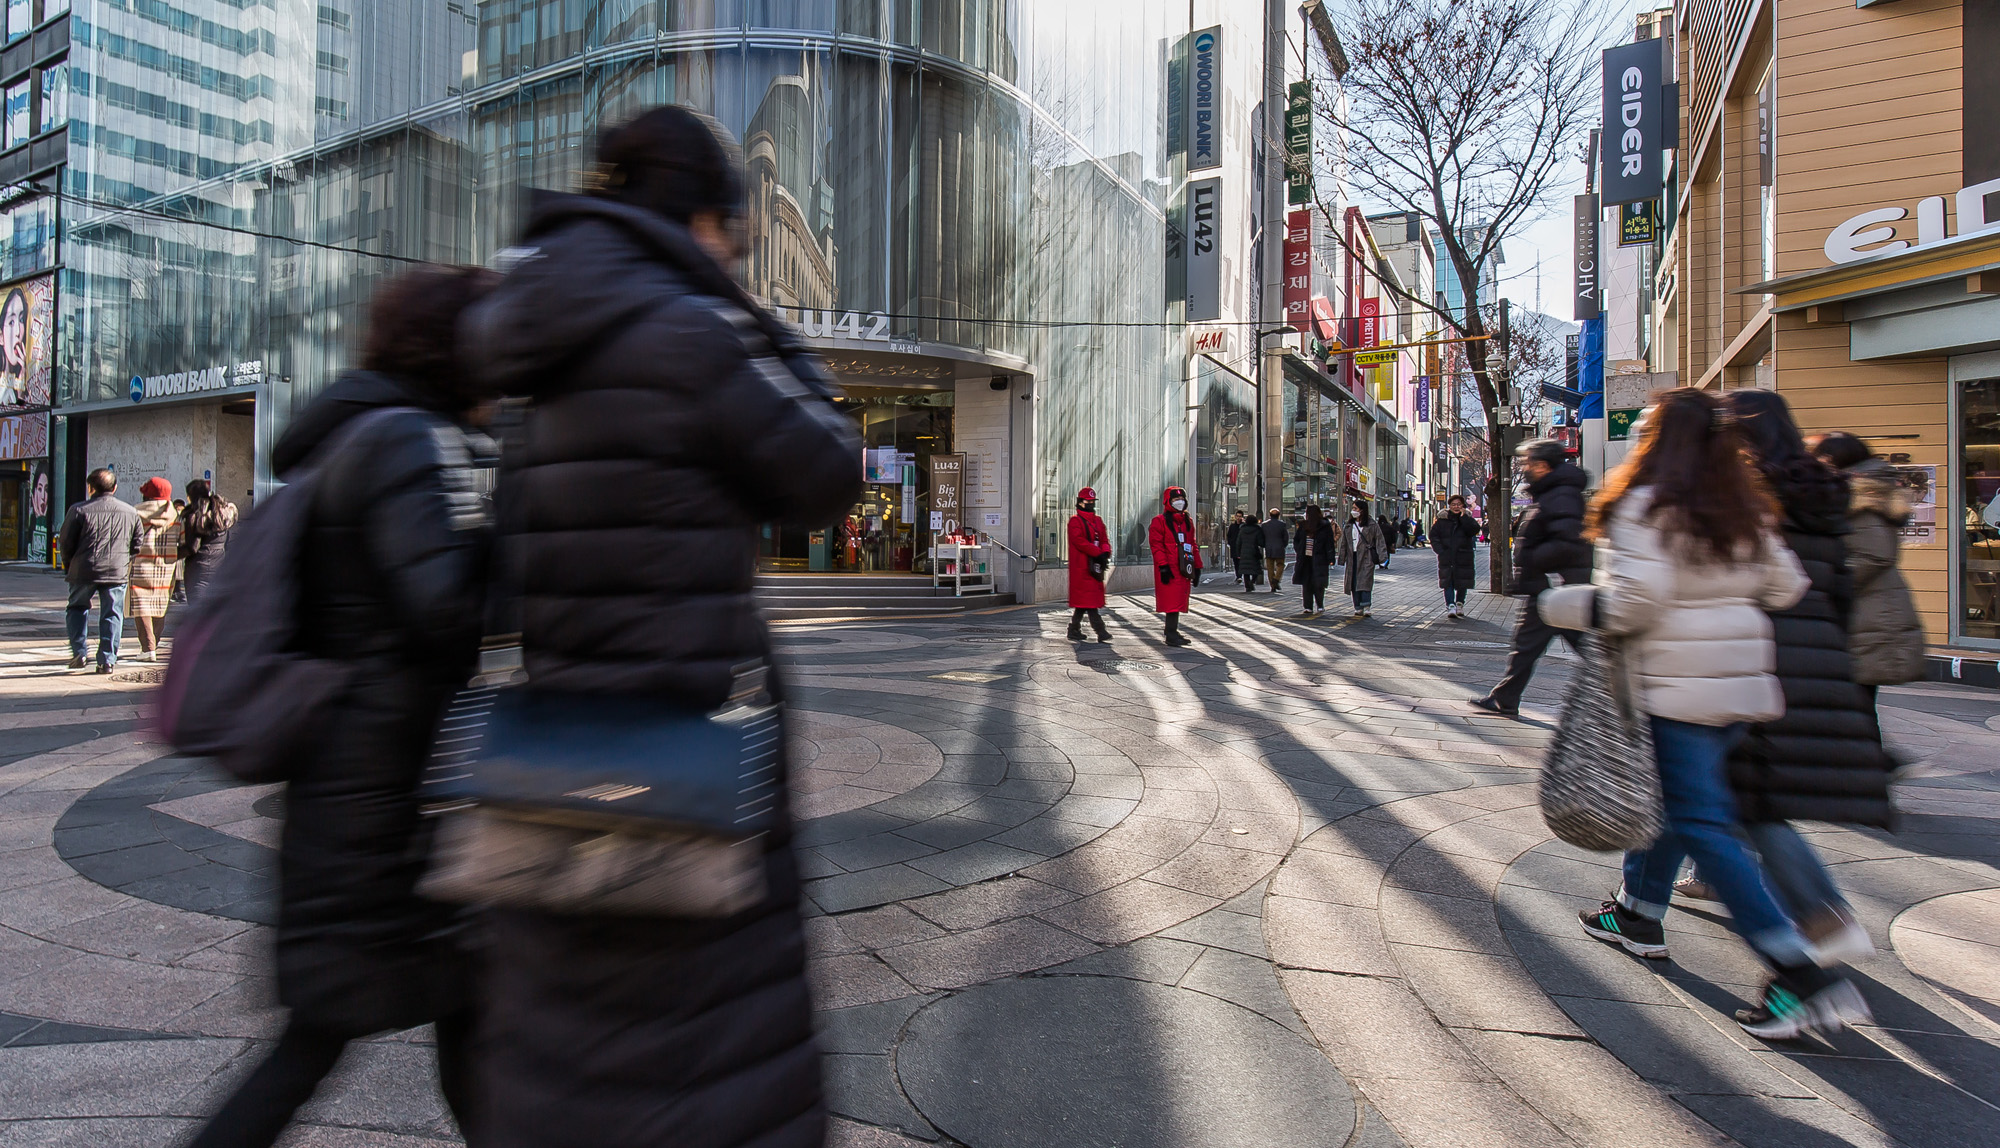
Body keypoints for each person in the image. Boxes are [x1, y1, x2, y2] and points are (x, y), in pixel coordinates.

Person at [462, 106, 862, 1148]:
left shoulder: (538, 359)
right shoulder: (691, 333)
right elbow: (826, 473)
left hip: (552, 758)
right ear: (699, 222)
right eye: (731, 236)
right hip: (689, 758)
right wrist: (756, 320)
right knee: (708, 1044)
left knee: (578, 1039)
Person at [184, 266, 498, 1148]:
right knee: (322, 1042)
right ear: (458, 351)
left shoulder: (366, 435)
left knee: (461, 1021)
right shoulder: (402, 440)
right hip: (380, 799)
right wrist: (509, 550)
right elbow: (440, 610)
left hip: (373, 786)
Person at [1542, 388, 1871, 1041]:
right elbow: (1787, 586)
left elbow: (1636, 603)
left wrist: (1564, 607)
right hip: (1738, 695)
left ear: (1655, 440)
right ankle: (1636, 910)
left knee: (1705, 826)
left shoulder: (1645, 504)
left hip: (1675, 692)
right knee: (1684, 808)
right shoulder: (1742, 508)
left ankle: (1799, 973)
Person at [1724, 393, 1898, 963]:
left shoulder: (1754, 499)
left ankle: (1818, 924)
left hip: (1762, 662)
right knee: (1743, 799)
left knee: (1749, 801)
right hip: (1818, 662)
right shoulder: (1825, 494)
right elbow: (1845, 590)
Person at [1471, 439, 1593, 716]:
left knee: (1583, 647)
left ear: (1542, 465)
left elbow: (1567, 541)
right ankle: (1505, 697)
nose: (1524, 468)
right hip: (1547, 587)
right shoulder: (1553, 493)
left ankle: (1626, 692)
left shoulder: (1561, 495)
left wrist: (1533, 557)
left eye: (1527, 463)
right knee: (1527, 646)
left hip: (1555, 588)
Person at [1814, 432, 1926, 689]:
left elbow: (1875, 555)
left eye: (1819, 458)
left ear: (1831, 459)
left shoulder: (1861, 496)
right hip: (1871, 608)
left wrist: (1830, 583)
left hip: (1867, 612)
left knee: (1856, 698)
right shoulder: (1868, 492)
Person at [57, 468, 142, 672]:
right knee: (112, 613)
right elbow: (137, 544)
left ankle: (79, 652)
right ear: (114, 488)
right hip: (116, 571)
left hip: (83, 569)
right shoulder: (130, 512)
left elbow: (66, 542)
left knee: (77, 608)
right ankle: (107, 660)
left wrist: (68, 565)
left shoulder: (78, 510)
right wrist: (122, 559)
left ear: (90, 488)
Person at [127, 477, 181, 662]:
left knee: (142, 606)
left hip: (141, 563)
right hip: (166, 565)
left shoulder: (134, 513)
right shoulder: (174, 514)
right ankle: (154, 644)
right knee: (160, 604)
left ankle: (147, 648)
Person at [1149, 485, 1201, 646]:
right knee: (1171, 601)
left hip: (1184, 566)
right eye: (1175, 500)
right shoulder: (1159, 521)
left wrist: (1197, 566)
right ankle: (1171, 633)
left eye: (1181, 499)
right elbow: (1156, 545)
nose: (1179, 502)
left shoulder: (1187, 521)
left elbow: (1192, 543)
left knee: (1178, 600)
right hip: (1169, 568)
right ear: (1168, 502)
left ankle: (1172, 630)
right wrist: (1163, 565)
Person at [179, 478, 238, 603]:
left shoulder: (194, 516)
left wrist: (172, 554)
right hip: (218, 567)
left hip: (197, 570)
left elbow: (192, 547)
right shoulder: (222, 514)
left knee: (196, 613)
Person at [1067, 486, 1113, 642]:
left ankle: (1074, 628)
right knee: (1089, 601)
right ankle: (1101, 631)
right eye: (1087, 501)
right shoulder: (1075, 521)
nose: (1090, 504)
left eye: (1092, 501)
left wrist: (1105, 552)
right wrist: (1097, 552)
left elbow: (1104, 539)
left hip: (1095, 566)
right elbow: (1079, 541)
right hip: (1082, 567)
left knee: (1084, 602)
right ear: (1080, 502)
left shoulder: (1098, 521)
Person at [1430, 495, 1479, 618]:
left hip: (1464, 556)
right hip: (1447, 556)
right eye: (1453, 504)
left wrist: (1464, 519)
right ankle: (1450, 605)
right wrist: (1441, 551)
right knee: (1448, 581)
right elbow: (1434, 536)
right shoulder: (1442, 520)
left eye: (1459, 504)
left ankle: (1460, 603)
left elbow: (1474, 530)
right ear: (1449, 506)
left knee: (1462, 581)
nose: (1456, 507)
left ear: (1463, 506)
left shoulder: (1467, 518)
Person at [1338, 503, 1386, 617]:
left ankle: (1366, 605)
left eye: (1355, 508)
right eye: (1353, 508)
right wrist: (1342, 558)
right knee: (1354, 582)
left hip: (1366, 556)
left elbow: (1380, 540)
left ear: (1362, 510)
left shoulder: (1372, 524)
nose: (1353, 511)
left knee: (1365, 581)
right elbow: (1344, 543)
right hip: (1352, 557)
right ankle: (1357, 606)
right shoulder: (1349, 525)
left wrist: (1382, 556)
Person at [1293, 504, 1335, 616]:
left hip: (1319, 558)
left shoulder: (1324, 526)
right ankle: (1308, 606)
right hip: (1305, 558)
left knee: (1318, 583)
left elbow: (1329, 543)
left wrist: (1330, 558)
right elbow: (1296, 540)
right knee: (1307, 583)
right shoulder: (1303, 526)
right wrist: (1300, 550)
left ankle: (1319, 605)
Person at [1231, 507, 1264, 592]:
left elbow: (1238, 542)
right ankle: (1252, 582)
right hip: (1254, 552)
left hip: (1244, 552)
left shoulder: (1242, 529)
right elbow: (1261, 542)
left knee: (1245, 570)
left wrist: (1238, 553)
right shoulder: (1257, 529)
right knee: (1255, 569)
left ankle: (1247, 586)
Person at [1260, 508, 1289, 593]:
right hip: (1279, 548)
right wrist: (1283, 545)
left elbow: (1262, 537)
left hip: (1268, 548)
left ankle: (1272, 586)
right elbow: (1286, 538)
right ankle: (1276, 579)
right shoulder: (1282, 525)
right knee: (1280, 565)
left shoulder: (1264, 525)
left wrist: (1264, 545)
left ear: (1270, 515)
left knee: (1270, 568)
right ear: (1278, 515)